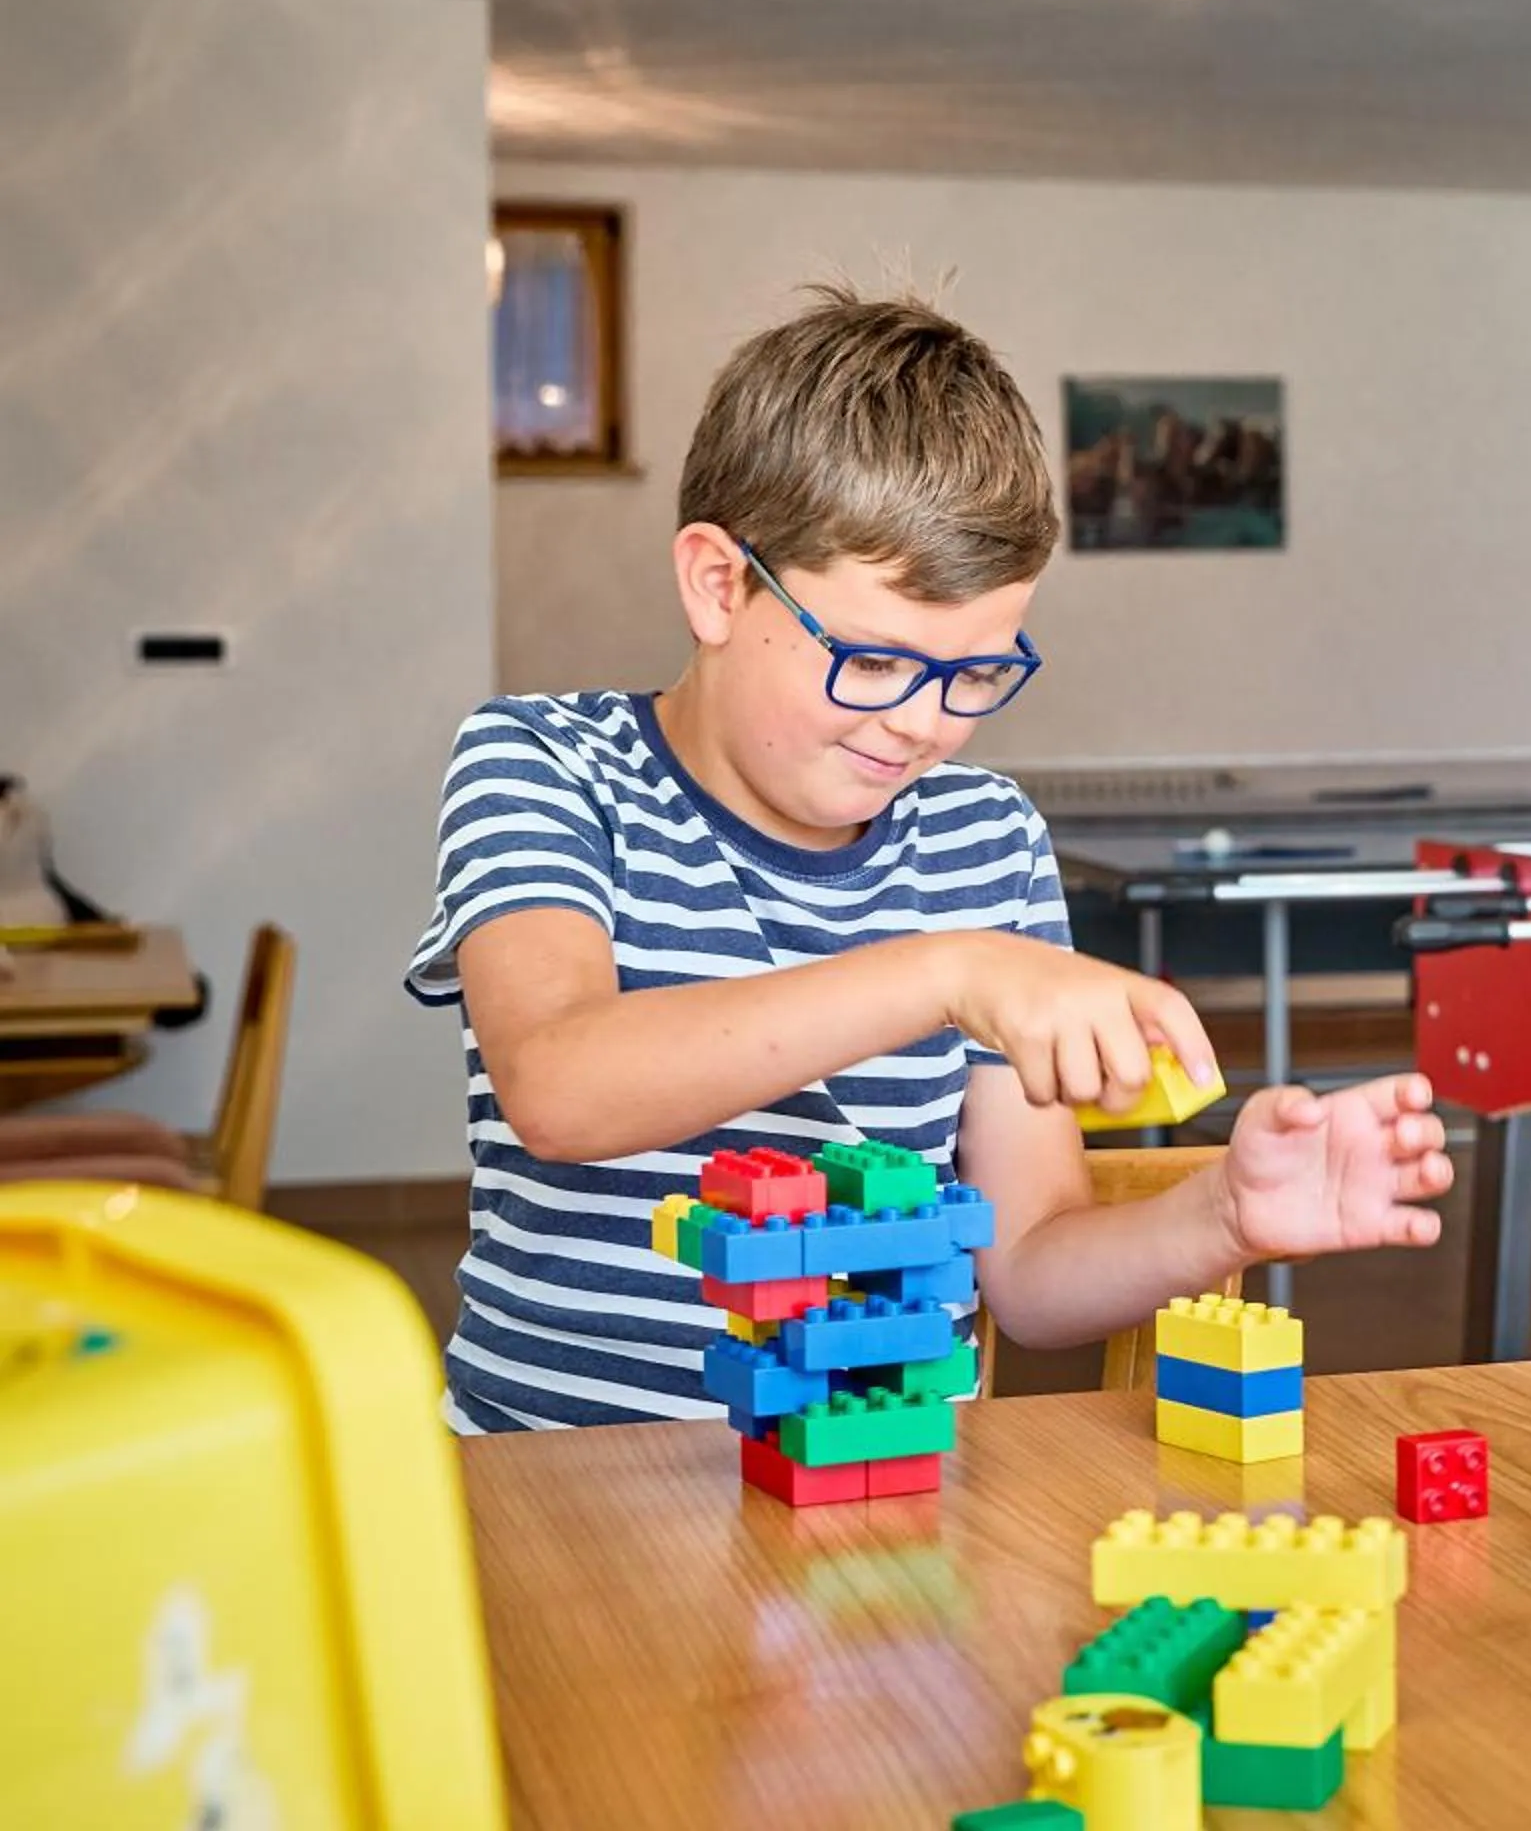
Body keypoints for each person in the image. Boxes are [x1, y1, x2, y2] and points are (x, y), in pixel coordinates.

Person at [407, 284, 1450, 1433]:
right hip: (558, 1495)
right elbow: (559, 1086)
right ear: (719, 584)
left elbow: (1033, 1266)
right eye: (873, 660)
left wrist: (1224, 1216)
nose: (923, 725)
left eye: (975, 674)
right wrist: (949, 971)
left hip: (877, 1506)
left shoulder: (982, 836)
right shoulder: (544, 761)